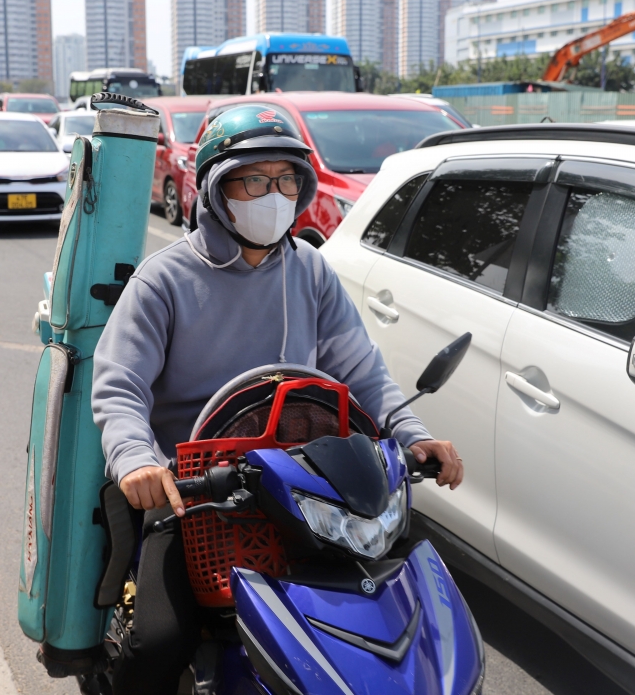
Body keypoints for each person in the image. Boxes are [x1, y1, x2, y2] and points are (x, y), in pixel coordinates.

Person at [91, 104, 463, 695]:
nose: (274, 194)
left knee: (390, 611)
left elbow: (361, 369)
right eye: (255, 180)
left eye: (286, 179)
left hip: (304, 483)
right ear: (216, 189)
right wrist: (137, 459)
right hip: (195, 491)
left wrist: (412, 434)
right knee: (158, 641)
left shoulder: (310, 270)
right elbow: (119, 384)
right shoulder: (163, 279)